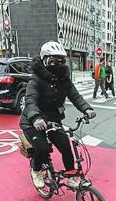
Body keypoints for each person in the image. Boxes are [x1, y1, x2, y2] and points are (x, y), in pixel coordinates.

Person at [20, 41, 96, 189]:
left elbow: (76, 96)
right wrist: (35, 117)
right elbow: (31, 100)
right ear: (44, 60)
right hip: (32, 121)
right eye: (53, 60)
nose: (57, 64)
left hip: (53, 120)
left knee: (66, 147)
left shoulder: (64, 79)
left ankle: (72, 176)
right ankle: (36, 170)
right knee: (43, 148)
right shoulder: (36, 80)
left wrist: (87, 109)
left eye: (61, 60)